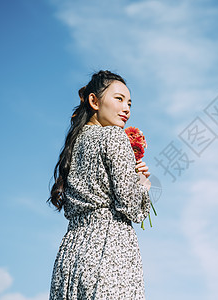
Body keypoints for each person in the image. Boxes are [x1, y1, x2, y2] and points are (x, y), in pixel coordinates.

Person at [48, 70, 152, 299]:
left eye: (130, 103)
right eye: (119, 99)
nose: (126, 108)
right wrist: (142, 184)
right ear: (94, 101)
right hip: (110, 249)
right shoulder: (115, 137)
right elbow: (132, 207)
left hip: (71, 255)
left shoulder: (74, 144)